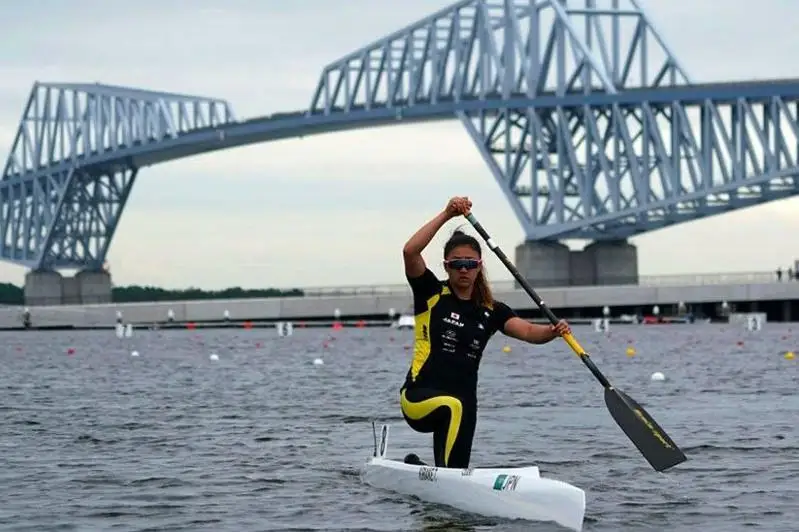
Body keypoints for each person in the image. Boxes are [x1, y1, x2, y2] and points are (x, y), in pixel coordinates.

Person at [399, 196, 571, 469]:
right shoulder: (431, 294)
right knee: (453, 406)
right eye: (456, 264)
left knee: (457, 431)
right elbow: (410, 252)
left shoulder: (491, 310)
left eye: (470, 263)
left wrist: (552, 331)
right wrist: (446, 214)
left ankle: (424, 470)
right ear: (446, 266)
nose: (464, 269)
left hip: (464, 405)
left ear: (480, 266)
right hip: (419, 399)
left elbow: (527, 331)